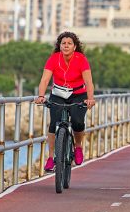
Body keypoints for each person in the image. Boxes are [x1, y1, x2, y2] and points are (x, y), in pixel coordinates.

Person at [35, 32, 96, 172]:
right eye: (64, 43)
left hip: (78, 94)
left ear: (74, 46)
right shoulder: (53, 59)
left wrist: (90, 98)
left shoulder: (81, 59)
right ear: (60, 46)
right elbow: (45, 80)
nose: (66, 46)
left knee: (77, 120)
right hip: (58, 93)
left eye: (69, 43)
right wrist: (41, 96)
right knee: (54, 123)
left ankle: (78, 146)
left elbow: (89, 82)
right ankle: (51, 158)